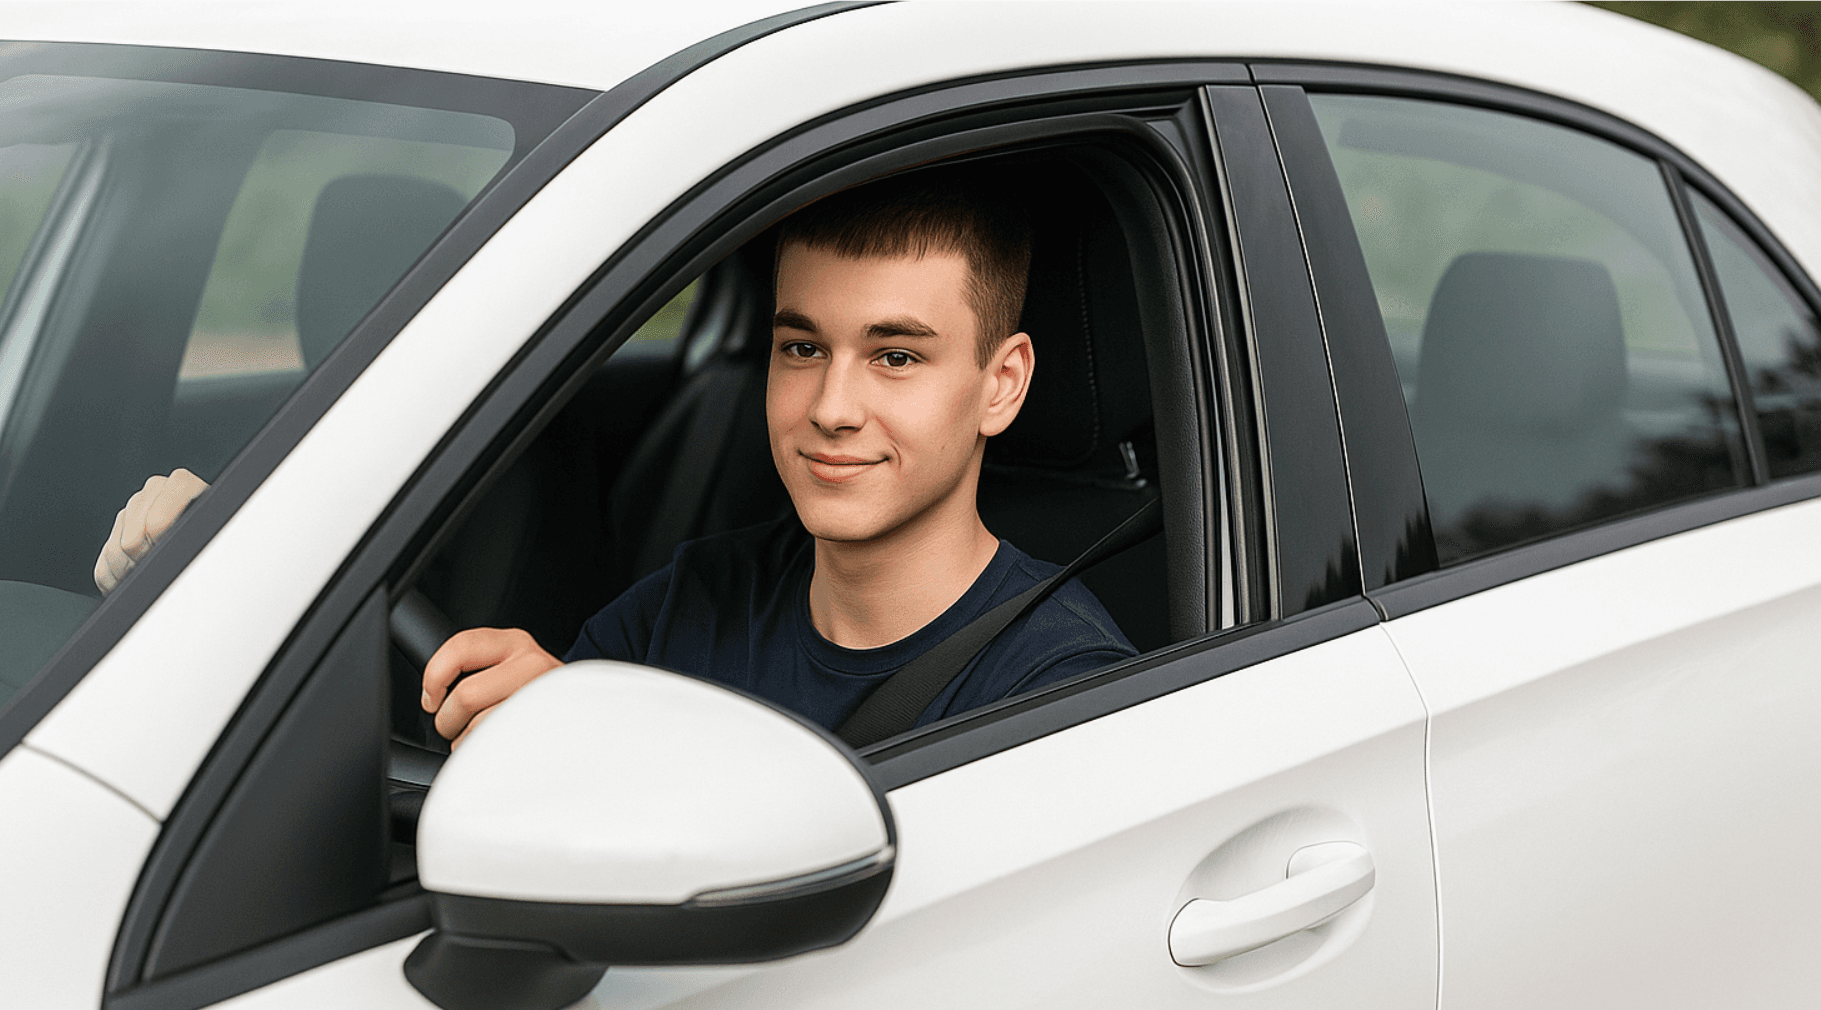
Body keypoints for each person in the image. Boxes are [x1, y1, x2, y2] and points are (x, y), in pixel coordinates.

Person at [96, 171, 1135, 744]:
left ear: (1002, 382)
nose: (831, 407)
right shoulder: (700, 597)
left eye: (896, 357)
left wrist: (602, 744)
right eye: (802, 347)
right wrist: (220, 585)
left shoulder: (1062, 687)